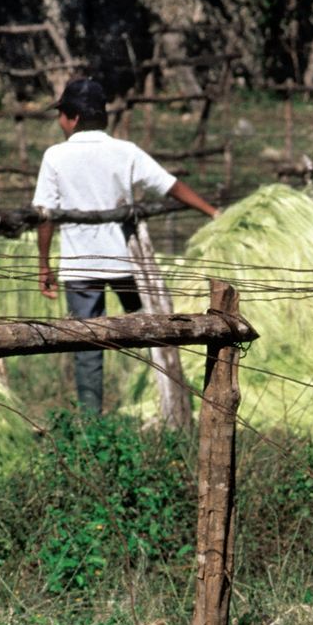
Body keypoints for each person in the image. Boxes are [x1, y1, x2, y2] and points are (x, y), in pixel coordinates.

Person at [34, 77, 219, 414]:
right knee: (152, 331)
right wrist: (210, 211)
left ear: (73, 117)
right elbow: (170, 185)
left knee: (87, 343)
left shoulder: (55, 156)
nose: (60, 122)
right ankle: (162, 401)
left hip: (80, 267)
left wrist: (44, 265)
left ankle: (93, 422)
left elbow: (44, 216)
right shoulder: (125, 152)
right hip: (128, 264)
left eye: (61, 114)